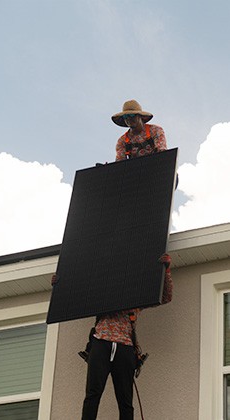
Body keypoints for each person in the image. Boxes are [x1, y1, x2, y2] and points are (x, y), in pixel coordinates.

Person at [79, 100, 172, 420]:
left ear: (140, 118)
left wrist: (165, 268)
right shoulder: (104, 292)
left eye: (133, 117)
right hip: (104, 341)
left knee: (125, 400)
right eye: (126, 118)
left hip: (151, 178)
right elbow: (121, 163)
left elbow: (164, 295)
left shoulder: (155, 132)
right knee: (93, 392)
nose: (130, 122)